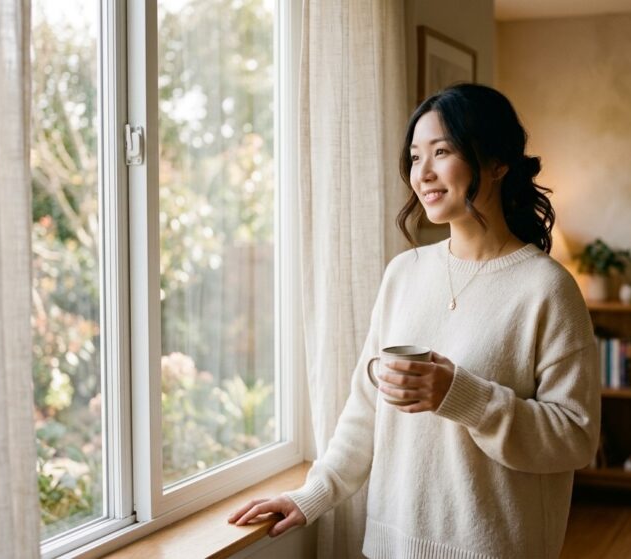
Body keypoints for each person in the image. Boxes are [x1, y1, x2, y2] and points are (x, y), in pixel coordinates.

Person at [228, 83, 600, 558]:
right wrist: (312, 494)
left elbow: (575, 438)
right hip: (390, 545)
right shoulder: (404, 273)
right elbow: (366, 408)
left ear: (497, 161)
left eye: (441, 152)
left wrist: (463, 397)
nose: (422, 173)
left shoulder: (546, 288)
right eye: (414, 156)